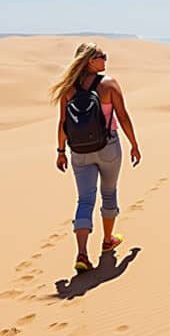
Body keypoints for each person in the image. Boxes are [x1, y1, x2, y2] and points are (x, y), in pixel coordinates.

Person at [49, 43, 142, 273]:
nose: (105, 60)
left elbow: (62, 124)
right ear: (90, 60)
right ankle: (107, 240)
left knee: (85, 200)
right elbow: (123, 116)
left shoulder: (68, 89)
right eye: (102, 56)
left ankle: (82, 253)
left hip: (79, 151)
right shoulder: (108, 84)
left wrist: (61, 152)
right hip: (108, 147)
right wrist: (134, 144)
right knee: (109, 193)